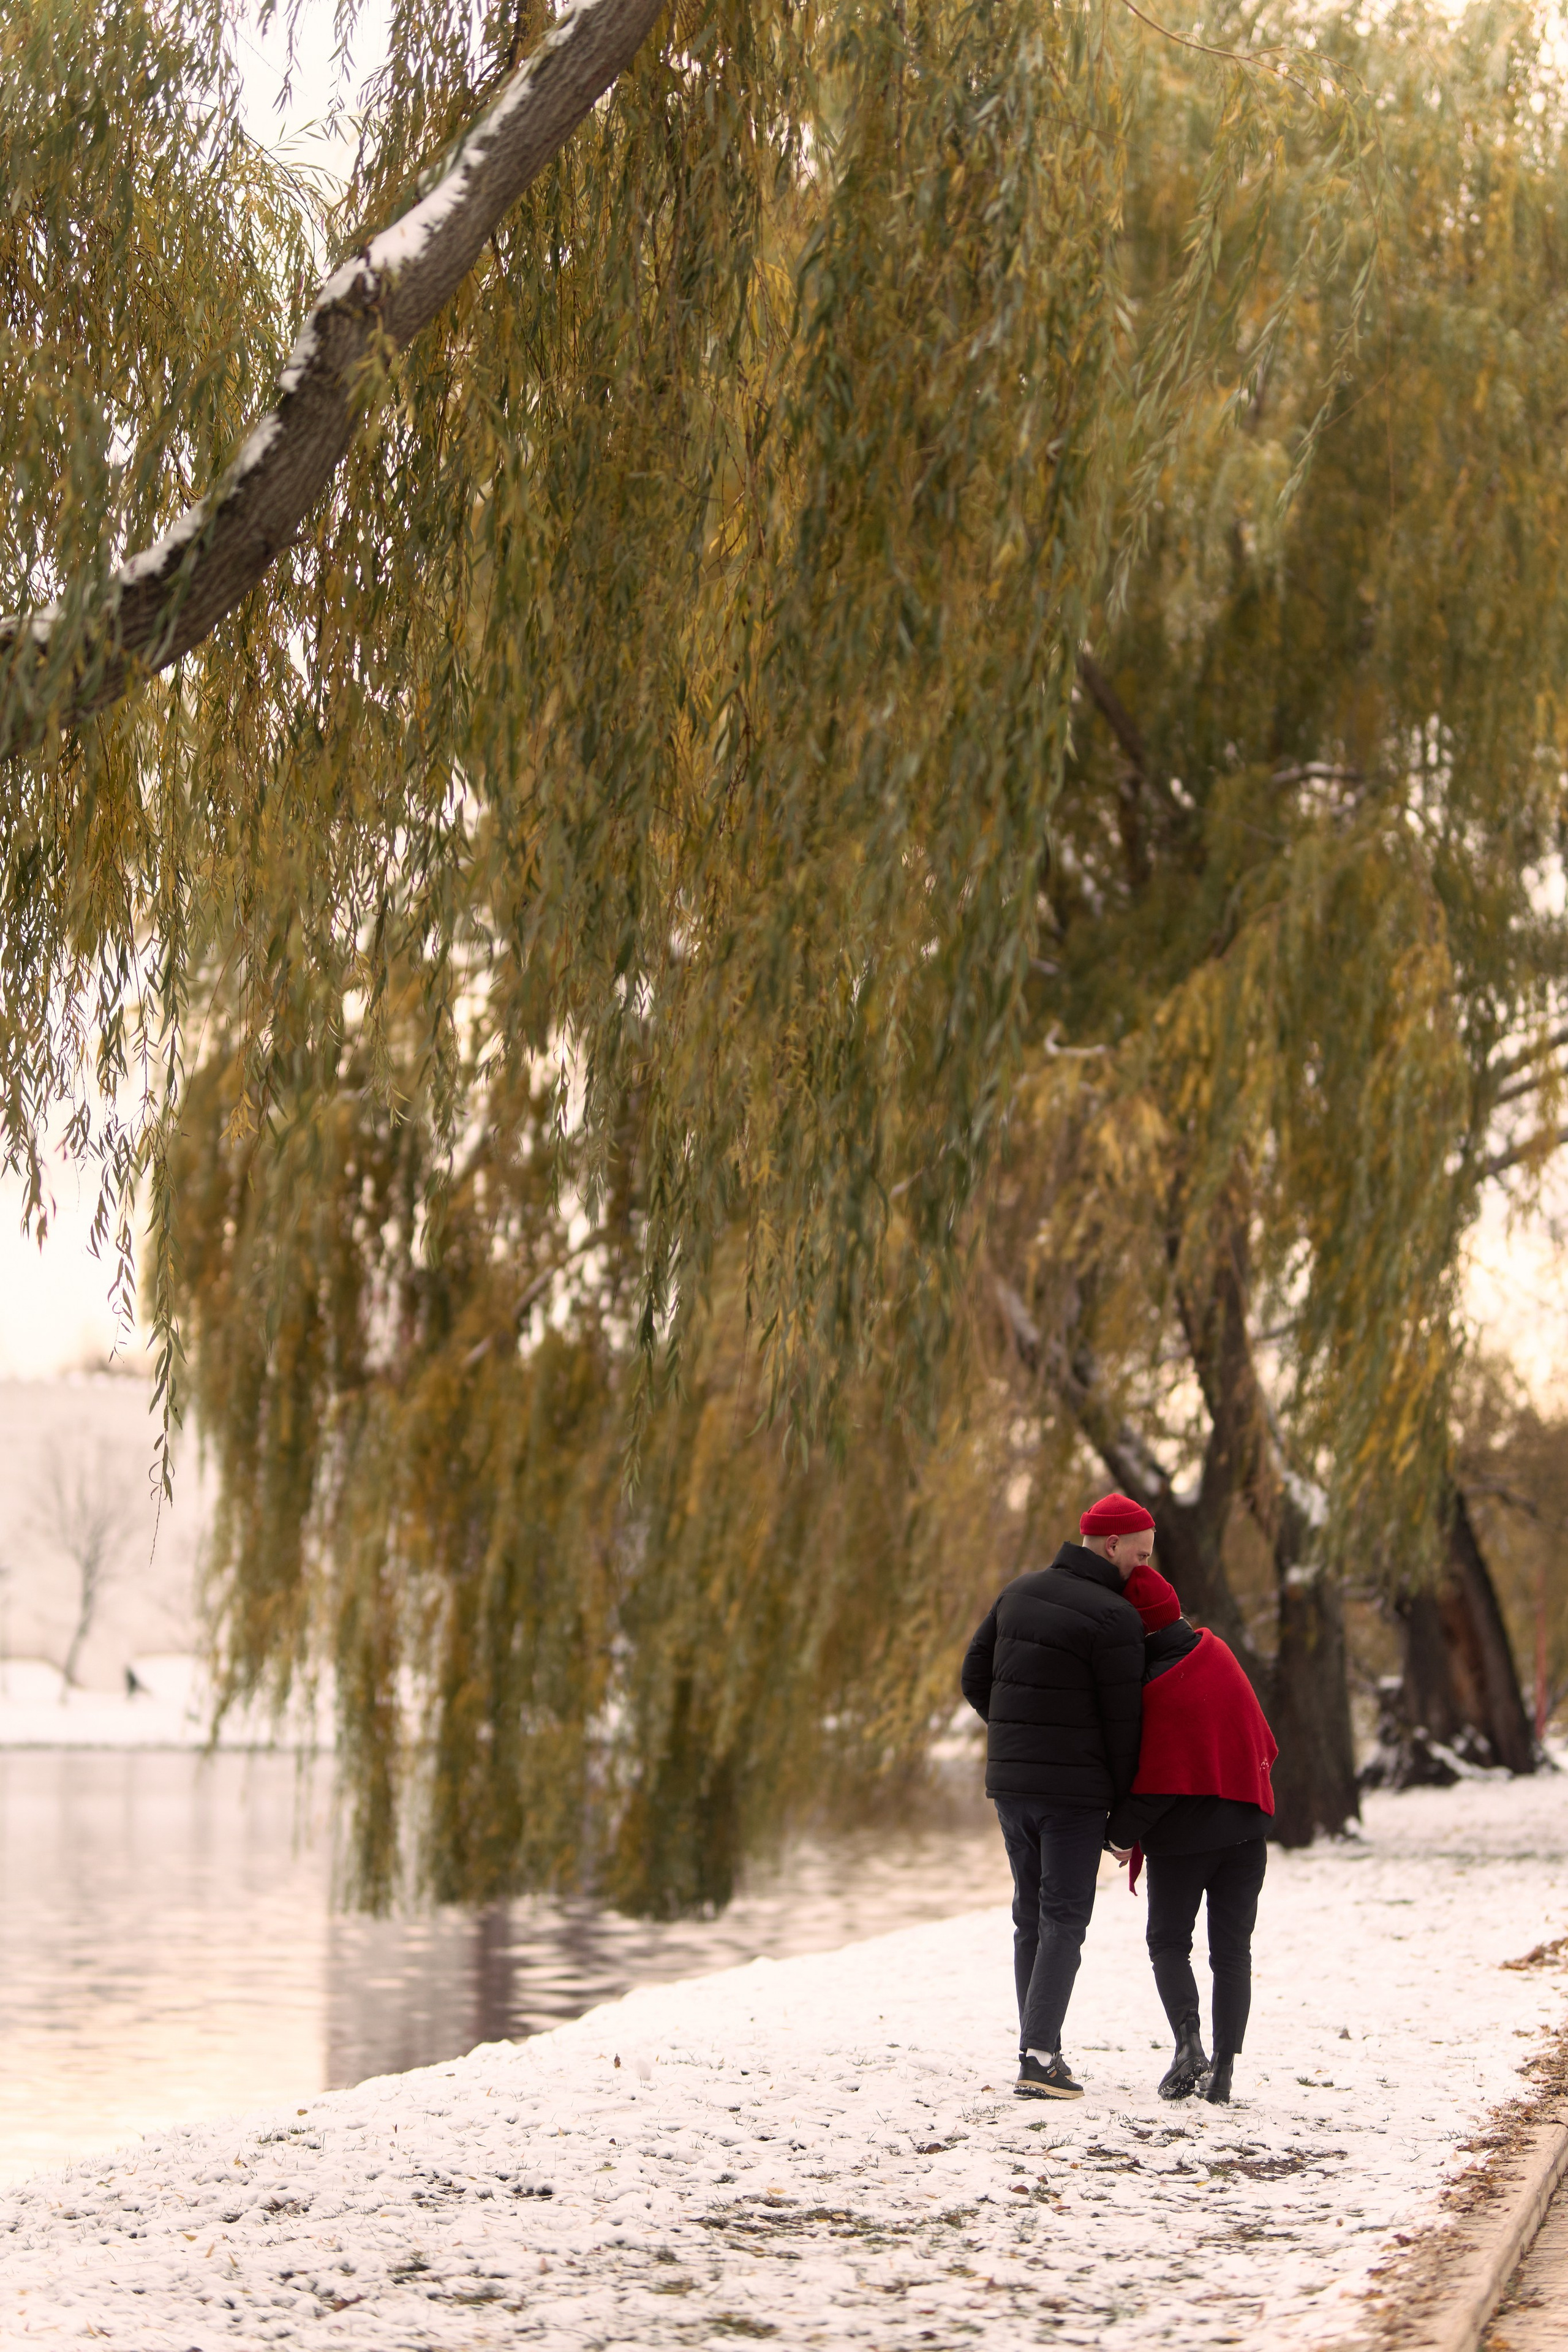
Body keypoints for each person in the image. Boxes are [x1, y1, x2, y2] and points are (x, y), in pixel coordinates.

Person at [961, 1491, 1180, 2100]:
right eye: (1139, 1555)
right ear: (1111, 1545)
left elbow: (973, 1678)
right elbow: (1123, 1728)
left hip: (1011, 1787)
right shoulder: (1114, 1619)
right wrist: (1123, 1815)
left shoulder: (1018, 1592)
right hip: (1074, 1797)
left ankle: (1035, 2044)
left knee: (1027, 1914)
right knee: (1063, 1917)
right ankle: (1039, 2057)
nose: (1144, 1567)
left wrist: (1014, 1739)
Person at [1106, 1571, 1278, 2106]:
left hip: (1183, 1845)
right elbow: (1260, 1739)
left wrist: (1119, 1836)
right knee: (1232, 1953)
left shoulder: (1154, 1686)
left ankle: (1189, 2045)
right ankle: (1223, 2070)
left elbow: (1160, 1783)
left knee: (1168, 1944)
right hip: (1247, 1834)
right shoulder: (1218, 1652)